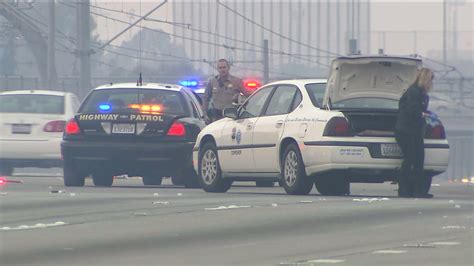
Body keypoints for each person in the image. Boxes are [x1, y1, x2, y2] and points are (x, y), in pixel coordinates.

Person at [395, 68, 435, 198]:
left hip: (415, 131)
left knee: (418, 160)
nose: (432, 83)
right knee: (410, 158)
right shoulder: (414, 92)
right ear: (425, 80)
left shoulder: (422, 94)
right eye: (430, 80)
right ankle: (404, 189)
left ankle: (417, 190)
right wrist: (423, 114)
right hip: (406, 131)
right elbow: (412, 111)